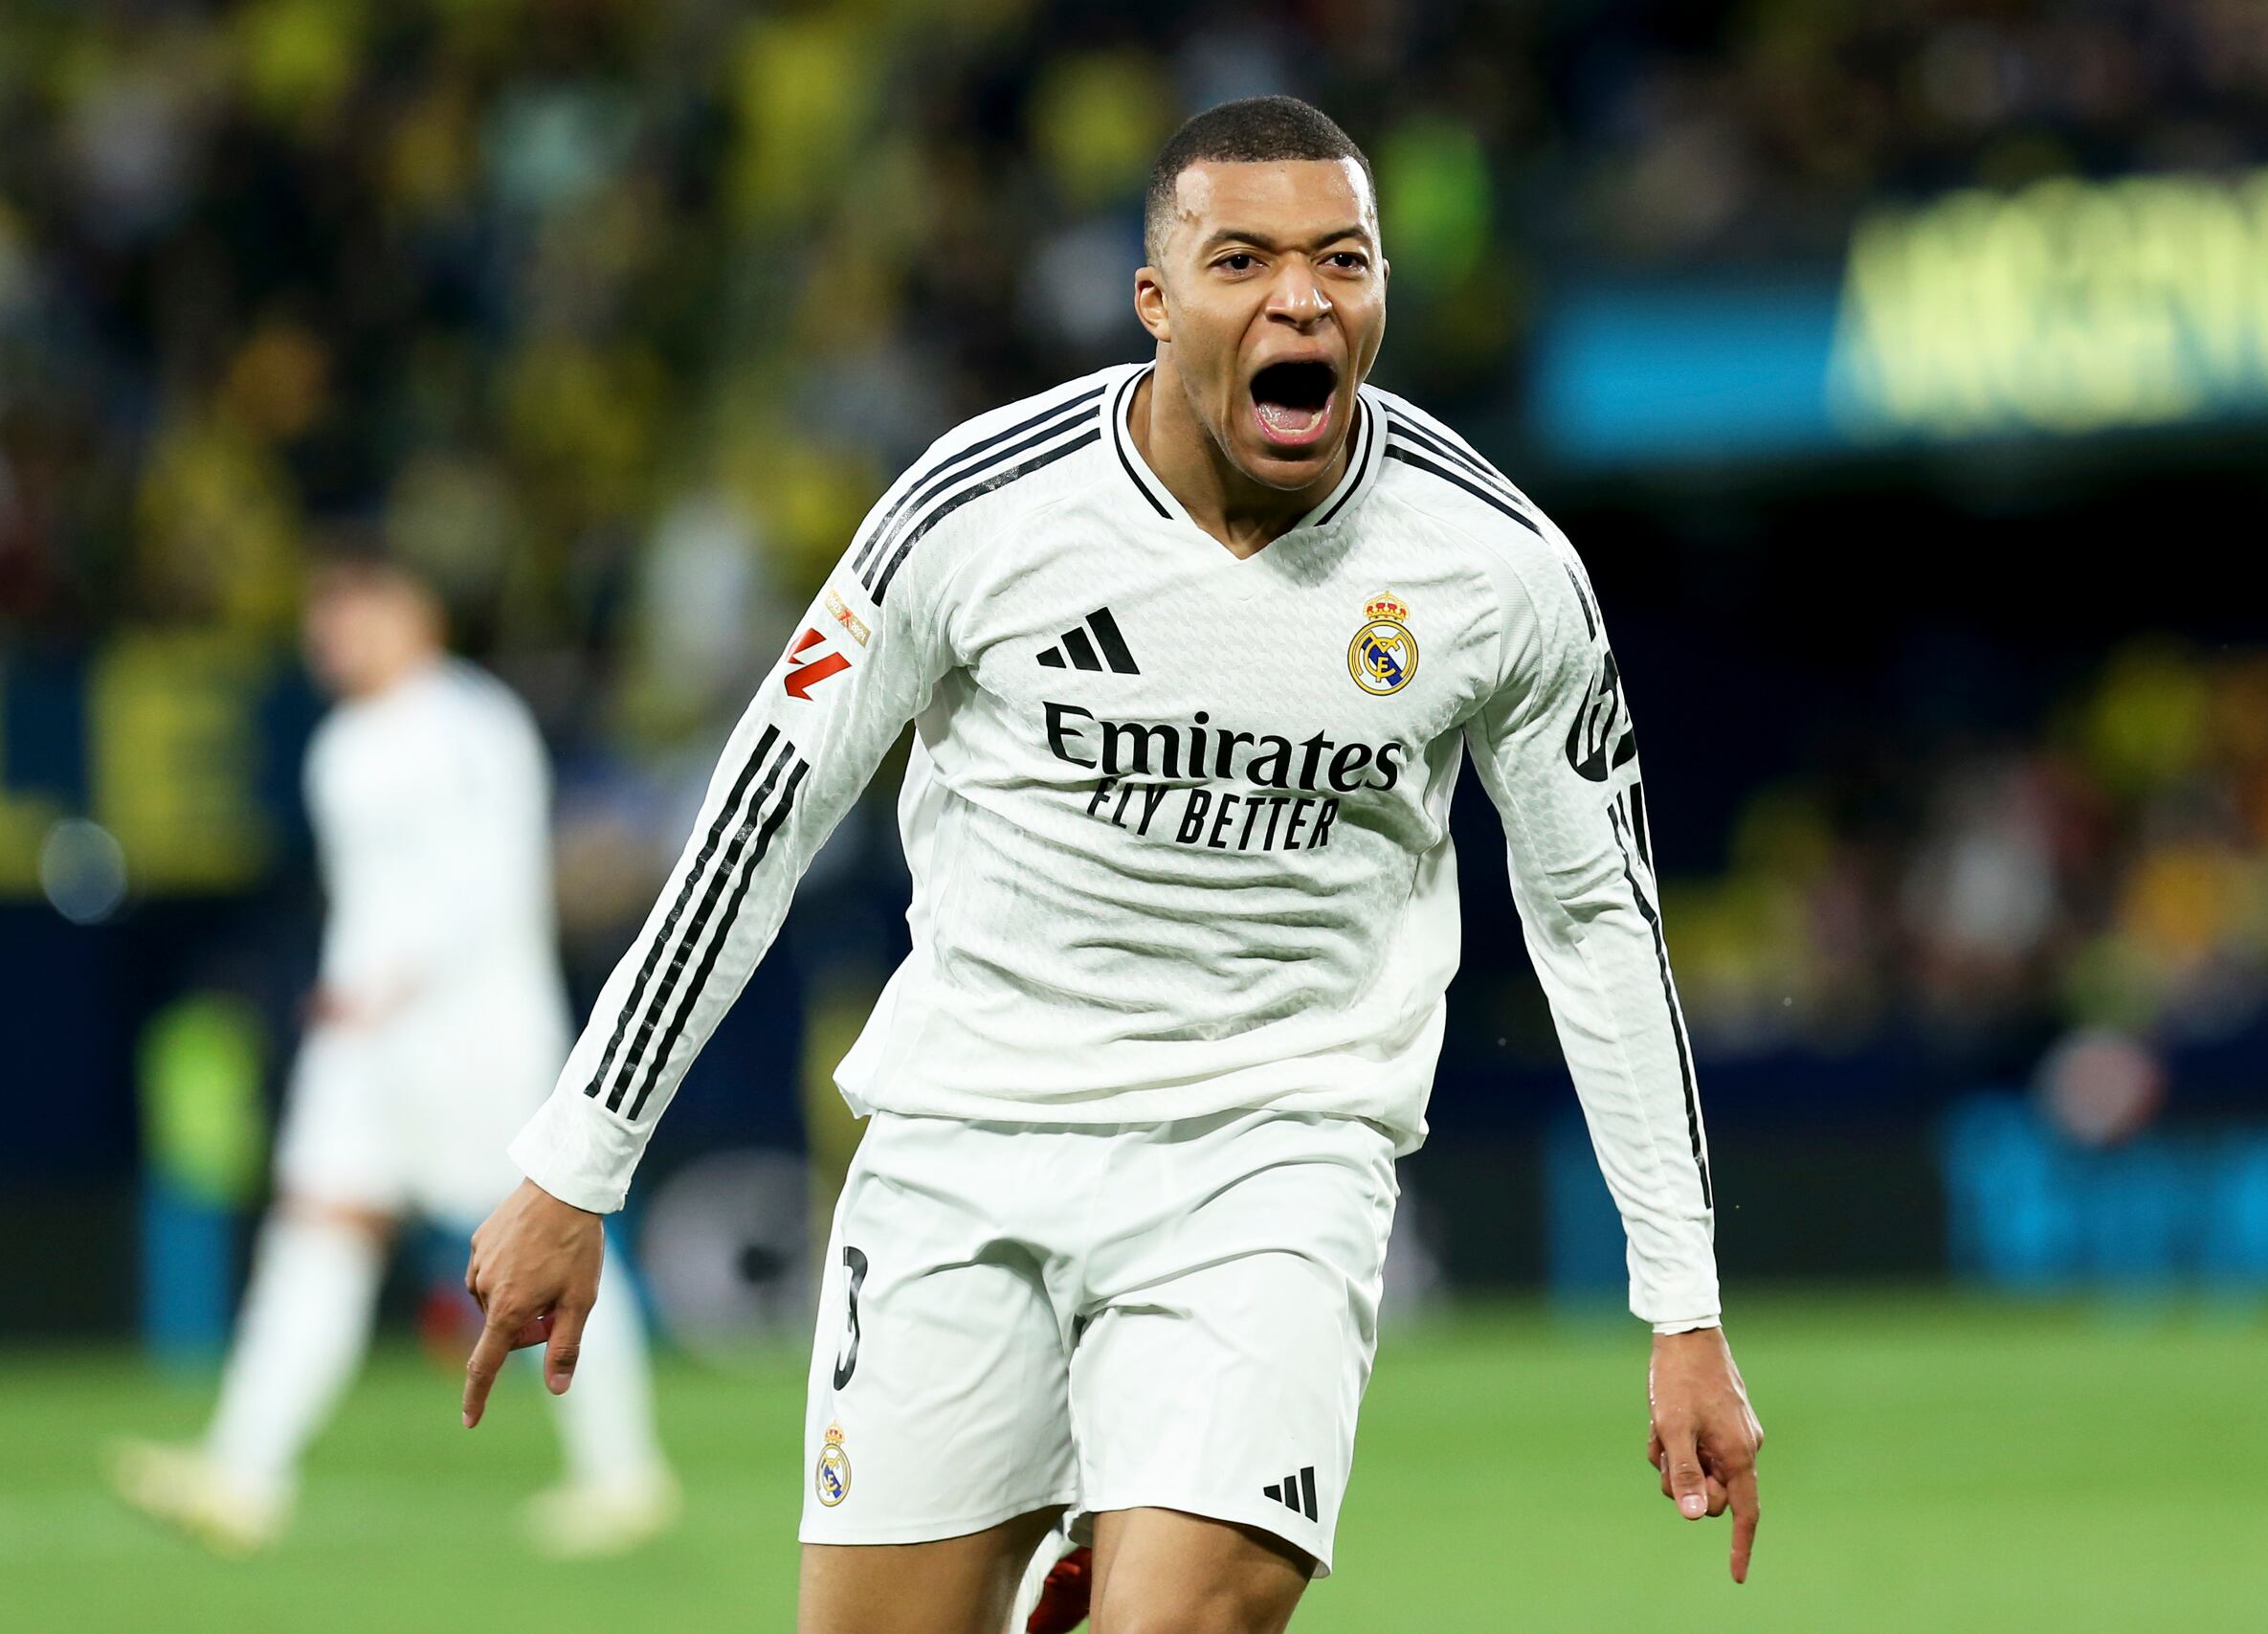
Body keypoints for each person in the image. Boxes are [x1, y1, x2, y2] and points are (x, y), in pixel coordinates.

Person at [464, 96, 1762, 1633]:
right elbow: (762, 817)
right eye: (1245, 261)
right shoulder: (977, 510)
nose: (1301, 299)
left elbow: (1596, 918)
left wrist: (1683, 1301)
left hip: (1274, 1151)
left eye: (1343, 260)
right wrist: (576, 1158)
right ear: (1156, 300)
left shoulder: (1497, 569)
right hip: (967, 1143)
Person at [112, 548, 677, 1559]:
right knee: (317, 1231)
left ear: (412, 612)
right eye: (319, 616)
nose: (327, 634)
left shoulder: (468, 724)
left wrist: (395, 980)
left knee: (538, 1249)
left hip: (470, 1037)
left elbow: (492, 882)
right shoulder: (343, 742)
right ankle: (244, 1472)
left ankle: (625, 1474)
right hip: (369, 1045)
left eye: (348, 611)